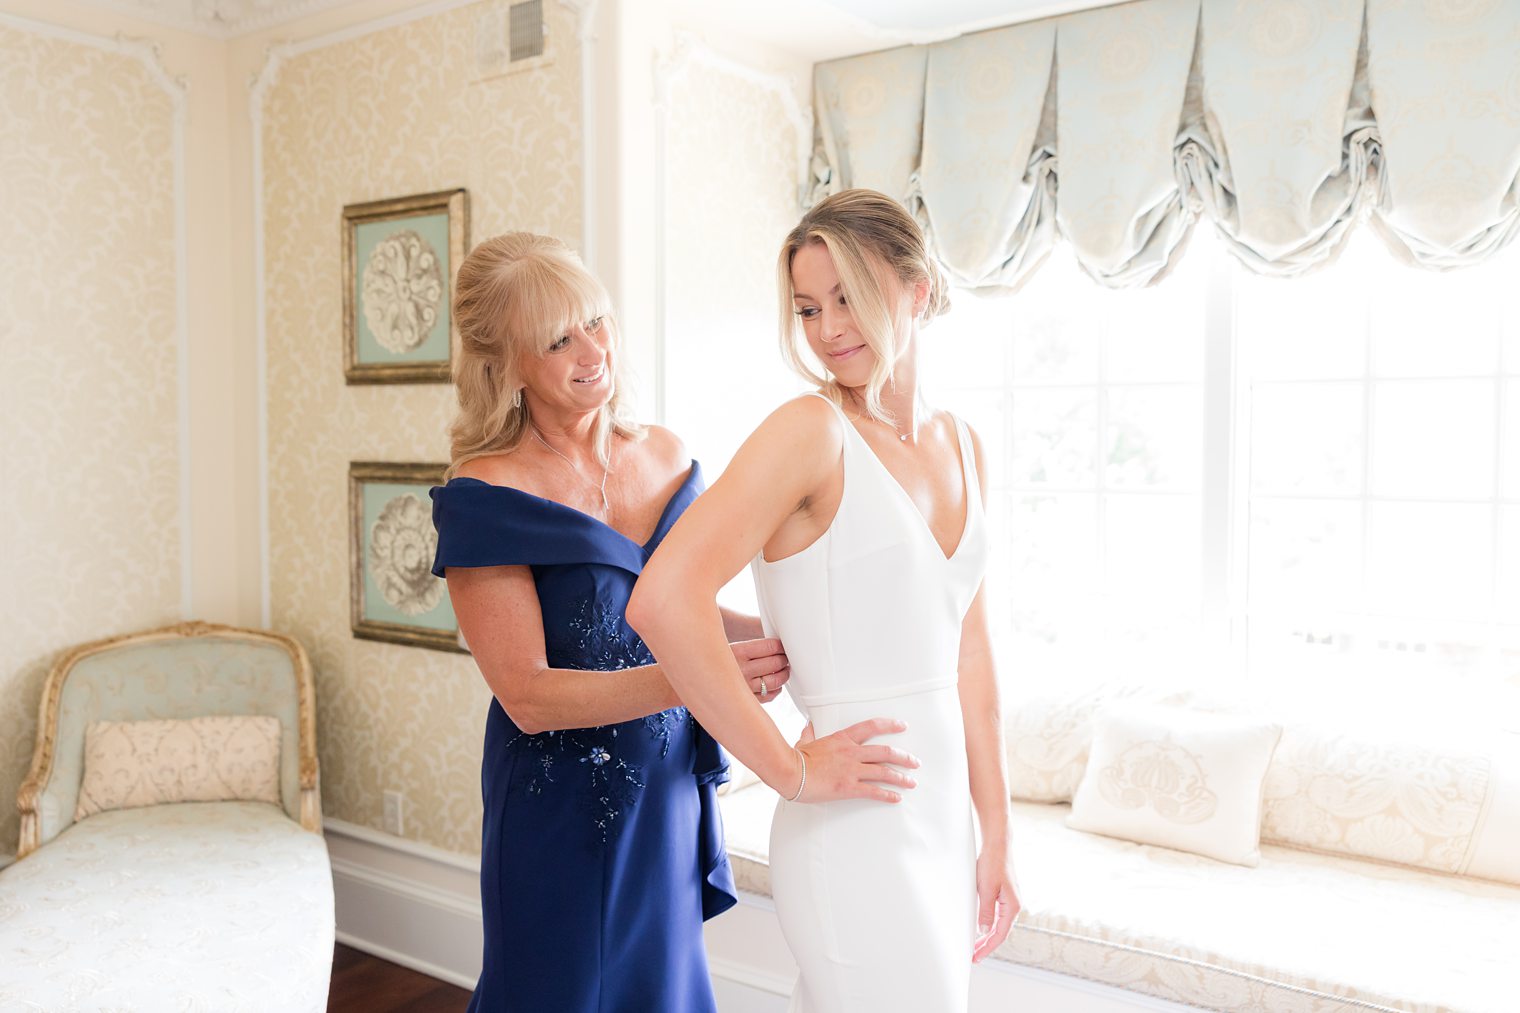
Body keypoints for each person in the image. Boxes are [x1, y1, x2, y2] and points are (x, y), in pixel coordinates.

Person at [628, 189, 1021, 1011]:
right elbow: (663, 599)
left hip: (941, 820)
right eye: (809, 307)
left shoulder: (964, 443)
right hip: (851, 827)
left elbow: (973, 659)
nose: (829, 327)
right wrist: (790, 768)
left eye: (850, 296)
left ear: (916, 289)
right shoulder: (809, 431)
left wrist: (999, 836)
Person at [429, 232, 790, 1013]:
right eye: (559, 339)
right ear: (508, 365)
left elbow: (672, 606)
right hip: (560, 808)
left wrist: (774, 637)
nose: (593, 350)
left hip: (666, 791)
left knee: (661, 989)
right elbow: (528, 694)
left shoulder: (664, 453)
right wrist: (703, 679)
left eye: (597, 321)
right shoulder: (485, 495)